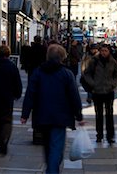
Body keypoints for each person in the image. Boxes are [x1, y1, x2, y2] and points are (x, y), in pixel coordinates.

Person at [21, 43, 83, 174]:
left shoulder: (38, 72)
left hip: (42, 115)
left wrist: (25, 114)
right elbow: (74, 96)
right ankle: (52, 170)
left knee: (48, 147)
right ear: (62, 57)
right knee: (56, 147)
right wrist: (78, 115)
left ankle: (51, 168)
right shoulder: (67, 74)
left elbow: (30, 93)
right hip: (60, 117)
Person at [0, 45, 22, 155]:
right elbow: (17, 83)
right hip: (7, 98)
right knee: (6, 120)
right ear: (8, 54)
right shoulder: (12, 66)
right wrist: (17, 94)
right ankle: (5, 139)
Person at [83, 43, 117, 144]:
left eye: (106, 51)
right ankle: (99, 135)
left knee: (109, 115)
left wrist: (113, 84)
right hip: (97, 91)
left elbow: (116, 74)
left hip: (108, 91)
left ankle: (110, 136)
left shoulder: (112, 62)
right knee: (98, 115)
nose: (103, 53)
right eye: (102, 51)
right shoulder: (94, 61)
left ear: (109, 52)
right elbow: (87, 74)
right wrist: (93, 84)